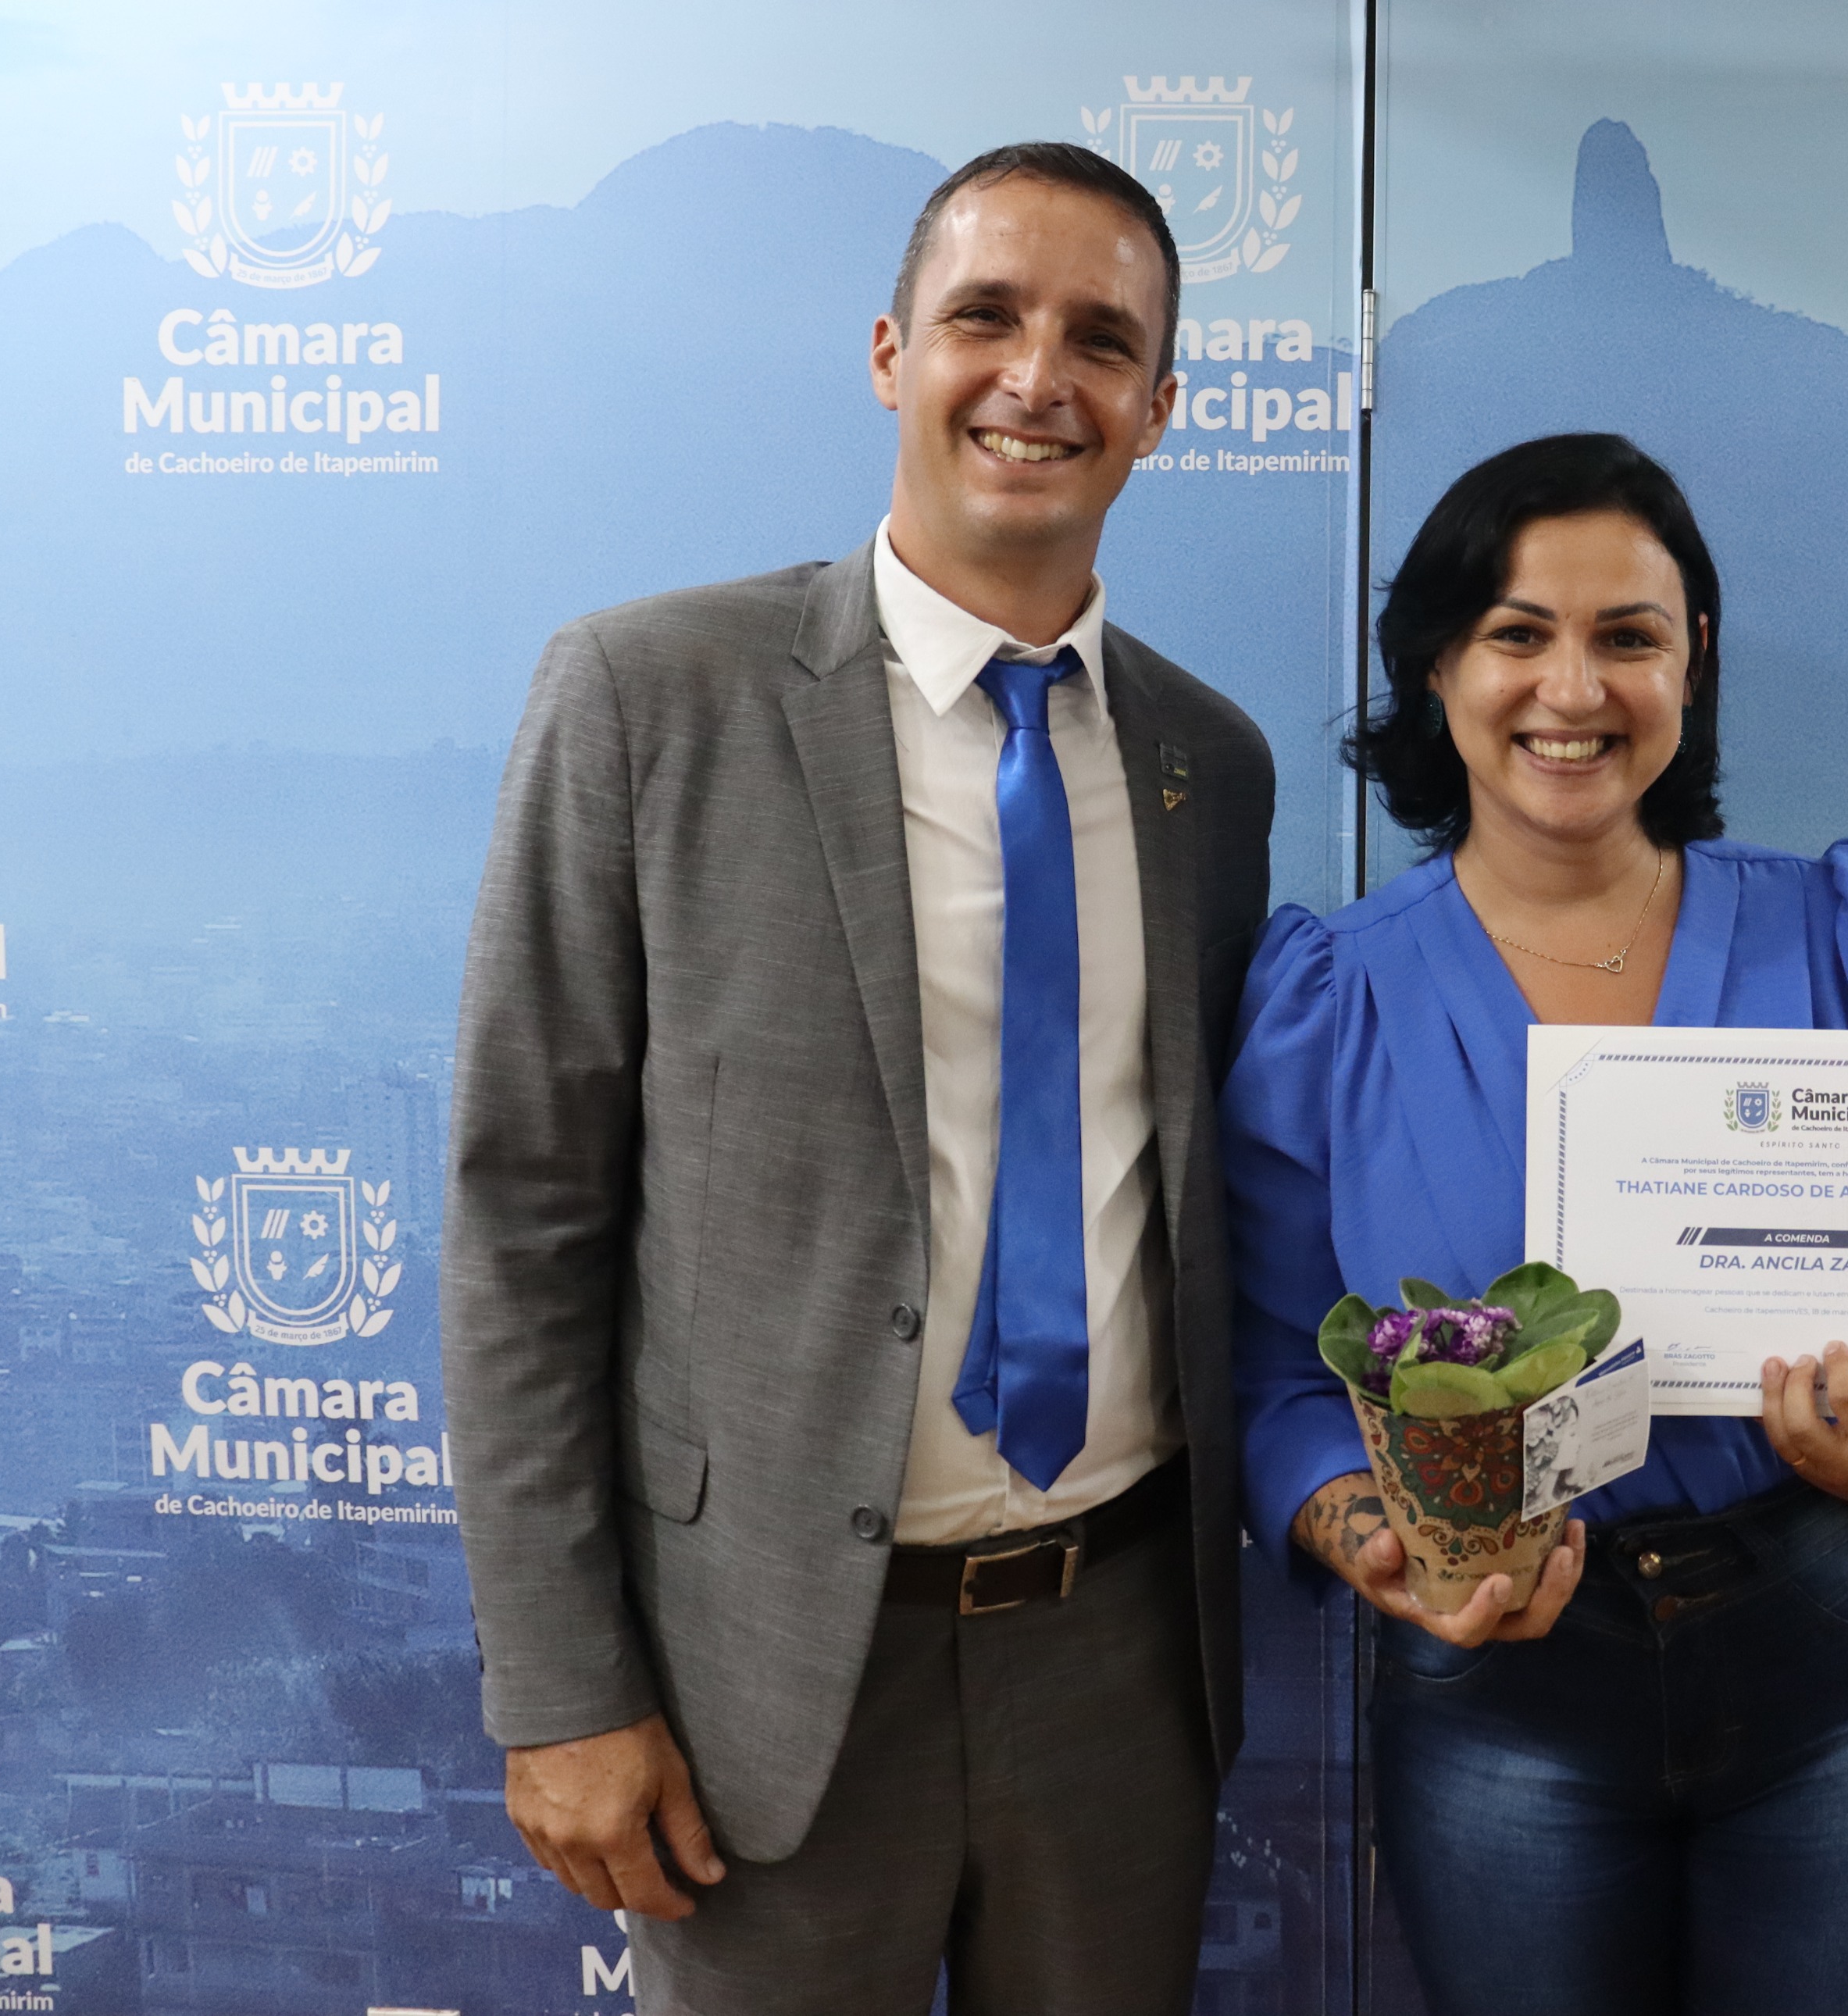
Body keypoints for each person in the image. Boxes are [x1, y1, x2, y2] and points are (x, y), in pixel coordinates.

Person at [444, 141, 1275, 2016]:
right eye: (986, 316)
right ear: (893, 352)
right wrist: (560, 1687)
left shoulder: (1208, 767)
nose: (1037, 377)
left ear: (1160, 407)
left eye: (1101, 340)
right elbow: (522, 1220)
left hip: (1122, 1663)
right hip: (760, 1680)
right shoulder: (647, 697)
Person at [1222, 433, 1848, 2016]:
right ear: (1436, 664)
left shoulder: (1824, 931)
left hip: (1836, 1654)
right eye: (1518, 633)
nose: (1571, 689)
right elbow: (1282, 1366)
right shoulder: (1332, 992)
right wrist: (1373, 1542)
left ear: (1690, 661)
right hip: (1497, 1674)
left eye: (1626, 636)